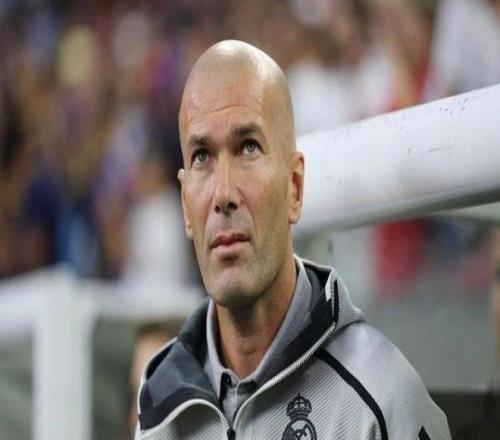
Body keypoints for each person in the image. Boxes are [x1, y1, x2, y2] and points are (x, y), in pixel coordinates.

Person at [135, 40, 451, 439]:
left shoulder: (382, 401)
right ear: (185, 206)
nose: (223, 193)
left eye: (248, 147)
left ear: (294, 187)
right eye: (201, 156)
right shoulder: (160, 407)